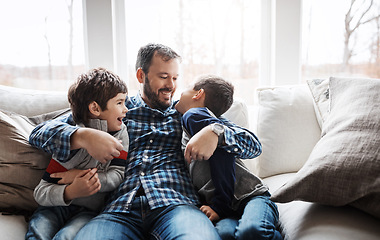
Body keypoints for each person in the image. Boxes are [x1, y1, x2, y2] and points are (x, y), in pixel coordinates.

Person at [29, 43, 264, 240]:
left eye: (174, 77)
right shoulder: (116, 108)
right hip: (119, 208)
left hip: (176, 205)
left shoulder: (188, 114)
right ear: (141, 76)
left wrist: (216, 132)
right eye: (163, 77)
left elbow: (253, 145)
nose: (171, 85)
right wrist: (83, 136)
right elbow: (38, 133)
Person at [26, 67, 129, 240]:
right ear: (95, 108)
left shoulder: (120, 134)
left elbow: (118, 174)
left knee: (67, 236)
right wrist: (70, 191)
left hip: (88, 211)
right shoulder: (67, 141)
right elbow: (41, 192)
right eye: (119, 103)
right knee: (38, 231)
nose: (126, 109)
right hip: (54, 206)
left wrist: (84, 179)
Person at [175, 75, 283, 239]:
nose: (180, 92)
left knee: (252, 231)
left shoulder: (193, 115)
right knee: (225, 235)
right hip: (229, 207)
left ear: (198, 94)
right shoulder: (212, 120)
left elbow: (223, 158)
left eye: (187, 87)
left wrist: (219, 206)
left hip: (251, 197)